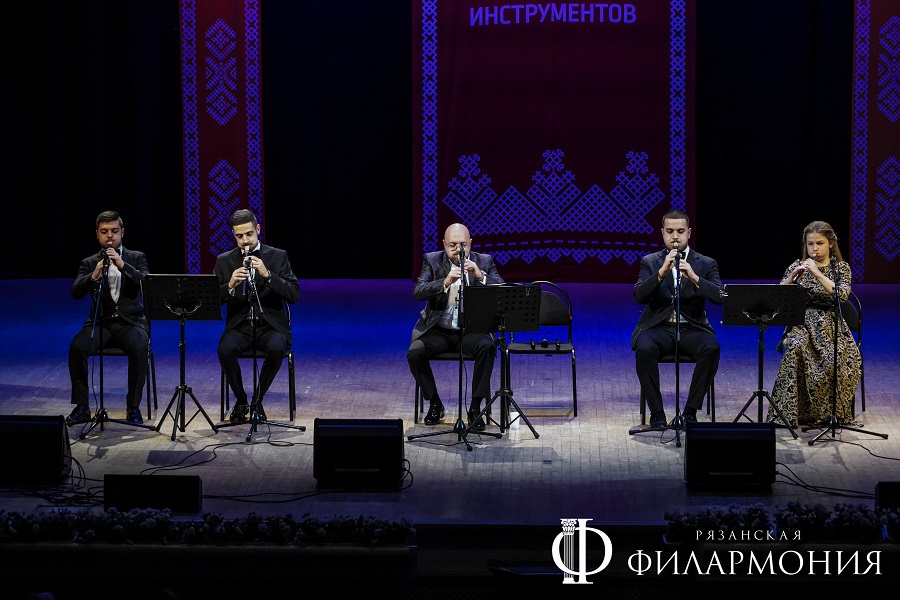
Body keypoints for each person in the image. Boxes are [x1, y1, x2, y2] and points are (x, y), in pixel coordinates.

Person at [631, 209, 724, 427]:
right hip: (659, 327)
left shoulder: (706, 263)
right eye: (670, 231)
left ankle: (689, 413)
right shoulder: (650, 262)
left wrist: (695, 277)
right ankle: (657, 414)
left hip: (692, 327)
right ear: (662, 233)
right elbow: (639, 296)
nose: (675, 237)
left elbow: (720, 296)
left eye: (680, 231)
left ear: (689, 233)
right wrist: (661, 273)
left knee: (711, 349)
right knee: (644, 349)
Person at [407, 223, 504, 430]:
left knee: (487, 347)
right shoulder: (432, 260)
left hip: (471, 331)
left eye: (463, 245)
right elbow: (418, 292)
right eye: (452, 245)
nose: (458, 249)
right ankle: (435, 403)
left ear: (470, 244)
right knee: (415, 352)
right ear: (444, 244)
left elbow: (502, 291)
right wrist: (444, 282)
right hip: (439, 331)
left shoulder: (484, 261)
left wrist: (480, 276)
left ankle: (475, 408)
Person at [767, 220, 861, 428]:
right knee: (795, 347)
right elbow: (778, 296)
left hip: (831, 324)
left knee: (841, 358)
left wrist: (817, 273)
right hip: (802, 323)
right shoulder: (797, 265)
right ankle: (792, 413)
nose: (814, 249)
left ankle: (829, 414)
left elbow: (842, 294)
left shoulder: (840, 268)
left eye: (819, 243)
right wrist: (791, 278)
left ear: (831, 244)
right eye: (810, 244)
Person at [215, 209, 300, 423]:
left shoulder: (278, 256)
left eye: (249, 234)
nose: (245, 240)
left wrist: (268, 275)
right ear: (234, 235)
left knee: (277, 348)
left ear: (258, 230)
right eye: (239, 236)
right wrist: (230, 285)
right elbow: (212, 301)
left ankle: (257, 401)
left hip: (270, 326)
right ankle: (241, 400)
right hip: (240, 327)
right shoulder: (224, 261)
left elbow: (294, 294)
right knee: (224, 349)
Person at [66, 210, 150, 426]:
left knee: (140, 347)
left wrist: (122, 265)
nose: (110, 236)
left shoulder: (136, 257)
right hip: (101, 323)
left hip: (130, 323)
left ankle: (133, 407)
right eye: (104, 232)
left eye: (114, 231)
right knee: (77, 347)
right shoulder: (89, 262)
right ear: (97, 234)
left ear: (122, 232)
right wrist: (94, 275)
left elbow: (146, 284)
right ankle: (82, 407)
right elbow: (76, 292)